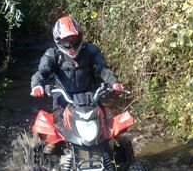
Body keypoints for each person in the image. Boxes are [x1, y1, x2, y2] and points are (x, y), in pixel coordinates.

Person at [30, 15, 124, 153]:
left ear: (79, 37)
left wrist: (113, 83)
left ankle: (118, 159)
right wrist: (37, 85)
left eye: (73, 40)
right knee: (56, 138)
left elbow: (103, 69)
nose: (71, 45)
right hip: (64, 100)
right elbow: (41, 73)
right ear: (58, 41)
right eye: (66, 41)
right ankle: (55, 160)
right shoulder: (53, 55)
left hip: (91, 98)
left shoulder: (90, 51)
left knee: (108, 132)